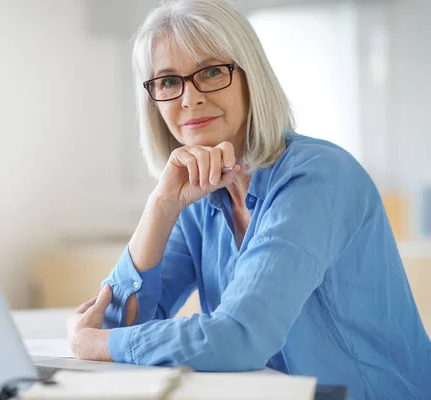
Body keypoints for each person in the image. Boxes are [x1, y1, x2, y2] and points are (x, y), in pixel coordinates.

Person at [65, 0, 431, 398]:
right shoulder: (198, 197)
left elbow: (240, 337)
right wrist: (160, 207)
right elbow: (116, 326)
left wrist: (96, 344)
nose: (189, 99)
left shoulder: (318, 176)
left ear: (250, 76)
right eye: (168, 81)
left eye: (210, 72)